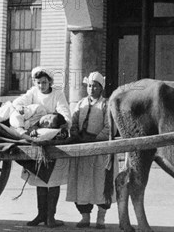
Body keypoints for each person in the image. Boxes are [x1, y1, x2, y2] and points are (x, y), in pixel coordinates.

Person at [13, 67, 72, 228]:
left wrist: (63, 123)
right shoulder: (33, 93)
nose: (41, 86)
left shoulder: (57, 94)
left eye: (44, 82)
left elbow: (64, 112)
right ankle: (41, 214)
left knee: (53, 181)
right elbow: (19, 102)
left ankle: (50, 217)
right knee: (39, 179)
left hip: (52, 135)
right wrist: (20, 109)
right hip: (36, 133)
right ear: (35, 82)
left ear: (50, 82)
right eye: (38, 83)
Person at [66, 72, 116, 229]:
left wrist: (95, 140)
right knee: (83, 184)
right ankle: (85, 217)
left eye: (95, 86)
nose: (92, 89)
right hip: (82, 150)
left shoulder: (106, 105)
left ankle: (101, 218)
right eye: (89, 86)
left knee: (101, 184)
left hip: (99, 151)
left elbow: (110, 127)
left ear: (101, 88)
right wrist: (74, 132)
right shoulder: (80, 104)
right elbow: (73, 122)